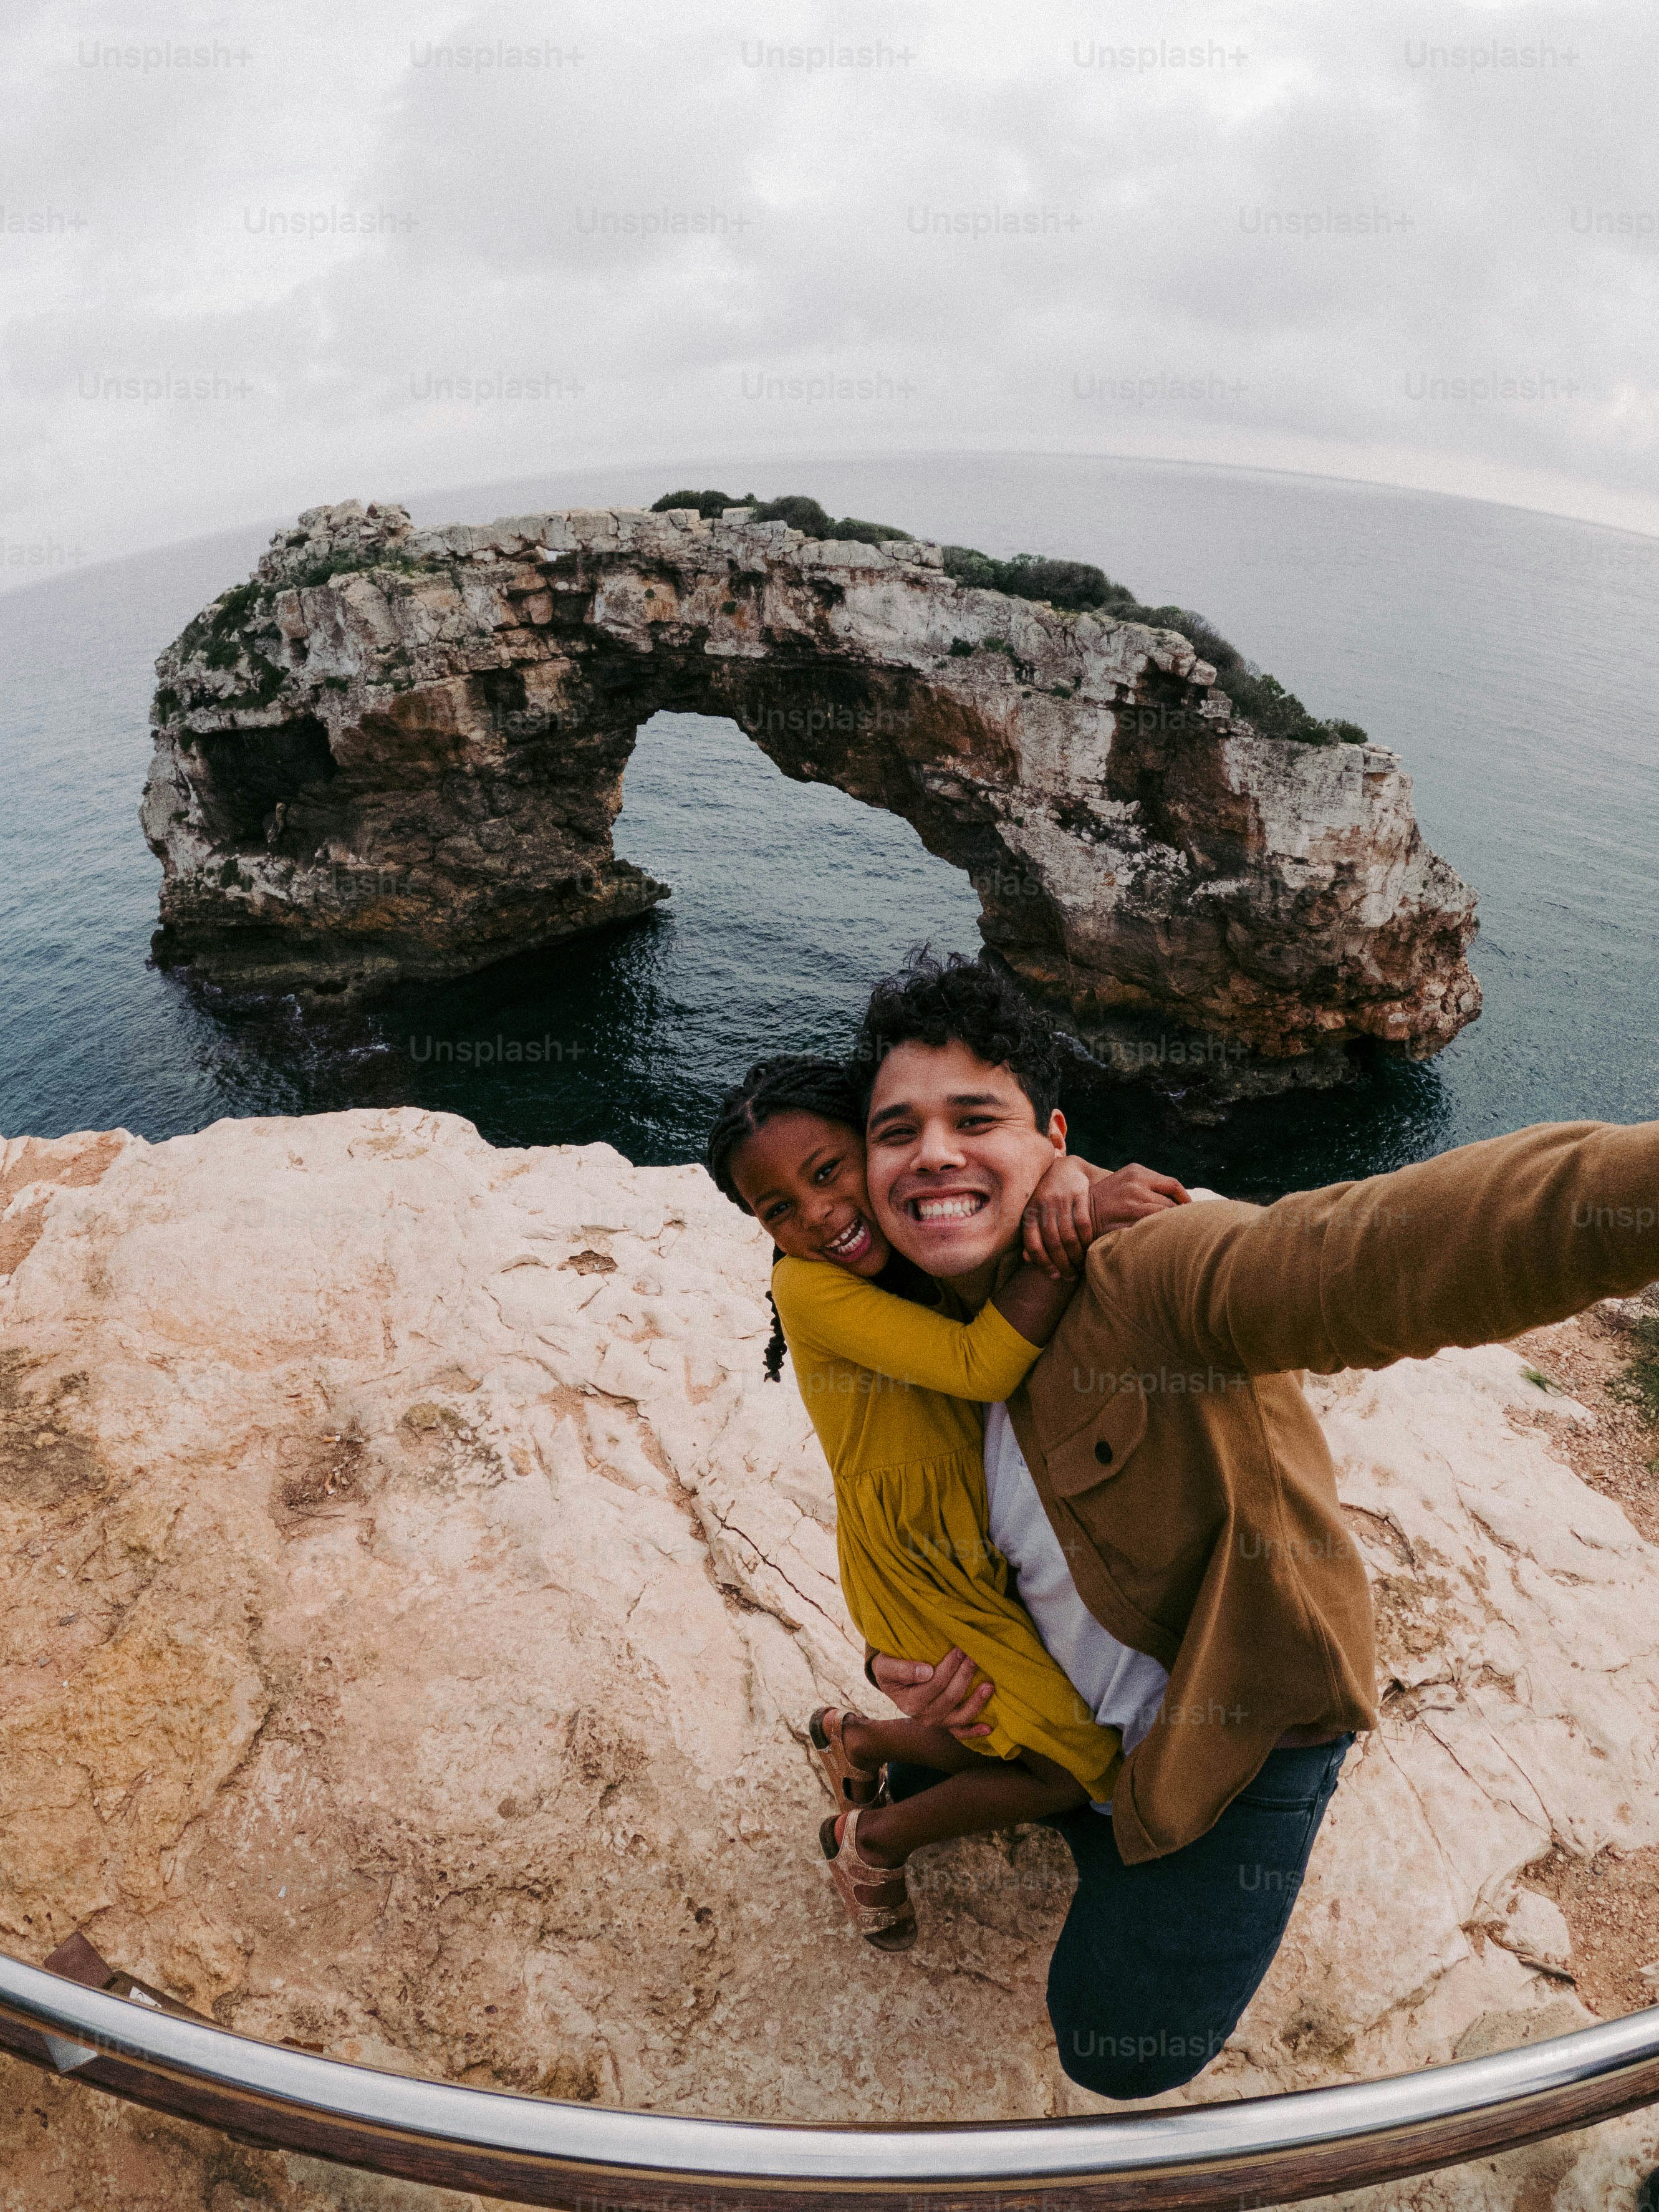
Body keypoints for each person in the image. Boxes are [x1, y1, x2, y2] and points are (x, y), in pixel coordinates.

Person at [850, 949, 1659, 2098]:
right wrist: (898, 1656)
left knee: (1120, 2050)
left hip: (1233, 1725)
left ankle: (1099, 1816)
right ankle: (1042, 1791)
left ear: (1054, 1137)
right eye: (896, 1133)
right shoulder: (903, 1328)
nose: (932, 1153)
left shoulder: (1145, 1270)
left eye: (975, 1120)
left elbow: (1368, 1252)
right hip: (1062, 1701)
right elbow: (890, 1530)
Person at [704, 1053, 1186, 1948]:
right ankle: (872, 1843)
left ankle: (860, 1742)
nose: (817, 1214)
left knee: (1004, 1711)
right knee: (1070, 1764)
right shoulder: (806, 1284)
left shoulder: (923, 1244)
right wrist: (1074, 1229)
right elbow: (980, 1365)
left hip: (970, 1536)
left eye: (828, 1172)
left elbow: (1026, 1169)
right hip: (915, 1562)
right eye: (778, 1210)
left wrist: (1068, 1176)